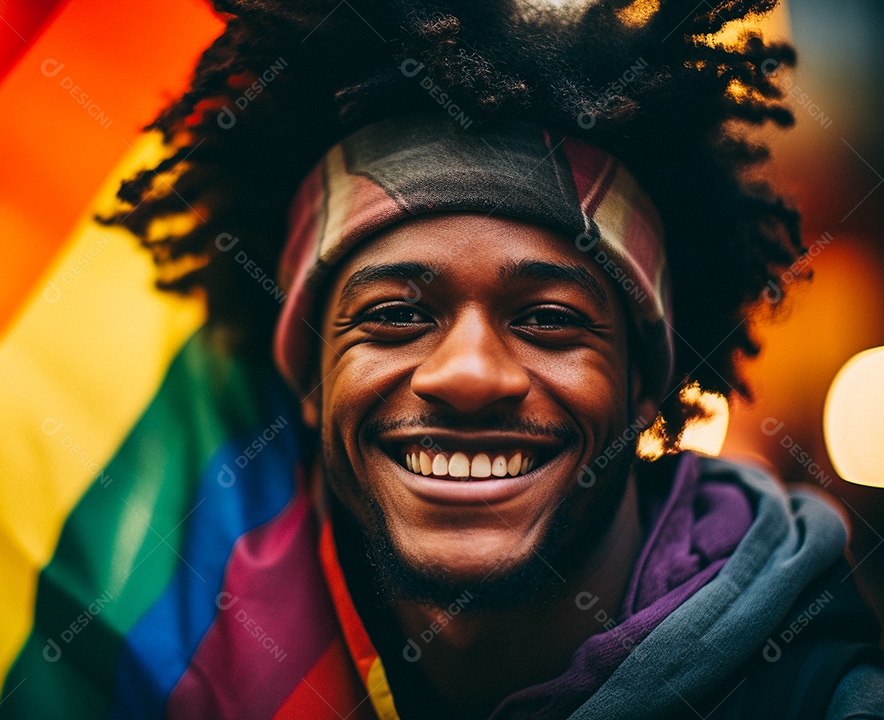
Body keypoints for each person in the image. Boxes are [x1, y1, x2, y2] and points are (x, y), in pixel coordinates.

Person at [107, 1, 884, 717]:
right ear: (311, 376)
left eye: (548, 319)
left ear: (643, 381)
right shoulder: (177, 673)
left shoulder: (822, 698)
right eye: (396, 315)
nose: (469, 375)